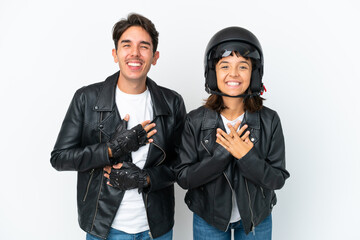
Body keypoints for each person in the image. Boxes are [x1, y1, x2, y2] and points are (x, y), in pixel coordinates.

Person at [50, 13, 186, 240]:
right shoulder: (86, 98)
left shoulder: (172, 102)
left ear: (155, 57)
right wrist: (111, 149)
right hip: (104, 228)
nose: (135, 53)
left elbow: (183, 166)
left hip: (156, 229)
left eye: (144, 47)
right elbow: (60, 158)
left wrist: (146, 178)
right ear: (115, 54)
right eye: (126, 45)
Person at [173, 26, 290, 239]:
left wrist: (246, 156)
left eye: (243, 66)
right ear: (213, 72)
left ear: (254, 73)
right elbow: (183, 178)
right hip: (209, 218)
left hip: (257, 218)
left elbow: (277, 179)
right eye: (225, 65)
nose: (233, 74)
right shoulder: (195, 120)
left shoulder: (270, 120)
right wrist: (223, 155)